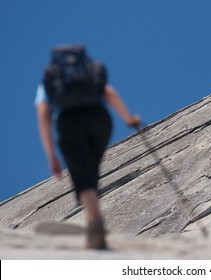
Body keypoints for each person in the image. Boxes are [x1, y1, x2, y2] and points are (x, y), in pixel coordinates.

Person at [35, 45, 141, 249]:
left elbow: (43, 112)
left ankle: (95, 224)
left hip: (69, 121)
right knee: (91, 172)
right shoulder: (90, 73)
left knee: (83, 177)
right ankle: (95, 220)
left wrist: (51, 156)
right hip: (100, 119)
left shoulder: (51, 80)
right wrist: (129, 119)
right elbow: (109, 92)